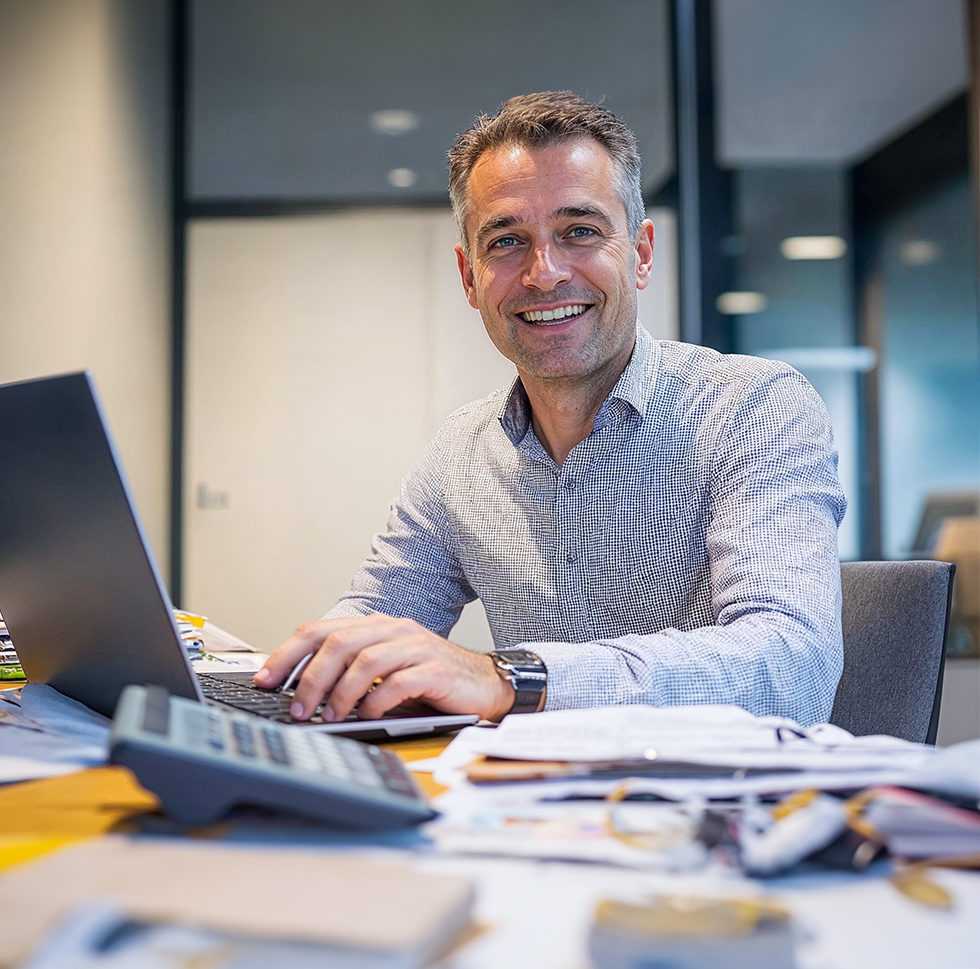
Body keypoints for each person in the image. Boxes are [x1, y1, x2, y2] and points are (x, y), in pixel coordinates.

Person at [255, 91, 846, 727]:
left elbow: (791, 666)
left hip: (706, 787)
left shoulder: (753, 407)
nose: (544, 273)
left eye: (580, 232)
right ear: (470, 277)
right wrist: (288, 673)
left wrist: (510, 679)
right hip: (512, 784)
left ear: (641, 253)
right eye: (507, 241)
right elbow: (377, 613)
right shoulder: (463, 451)